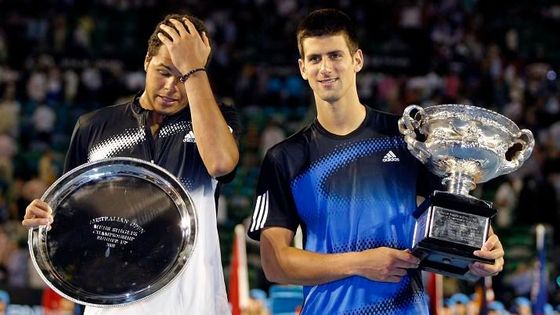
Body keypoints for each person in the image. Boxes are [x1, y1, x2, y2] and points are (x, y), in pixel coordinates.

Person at [247, 8, 504, 314]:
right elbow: (275, 265)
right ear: (303, 68)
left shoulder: (407, 140)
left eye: (335, 55)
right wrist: (360, 263)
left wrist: (484, 253)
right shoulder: (285, 158)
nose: (325, 68)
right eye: (315, 59)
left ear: (357, 60)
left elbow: (451, 224)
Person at [22, 13, 240, 314]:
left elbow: (220, 164)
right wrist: (44, 218)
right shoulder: (93, 126)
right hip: (112, 305)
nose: (172, 87)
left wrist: (195, 70)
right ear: (146, 61)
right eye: (164, 71)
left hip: (191, 303)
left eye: (183, 75)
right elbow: (73, 218)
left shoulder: (215, 122)